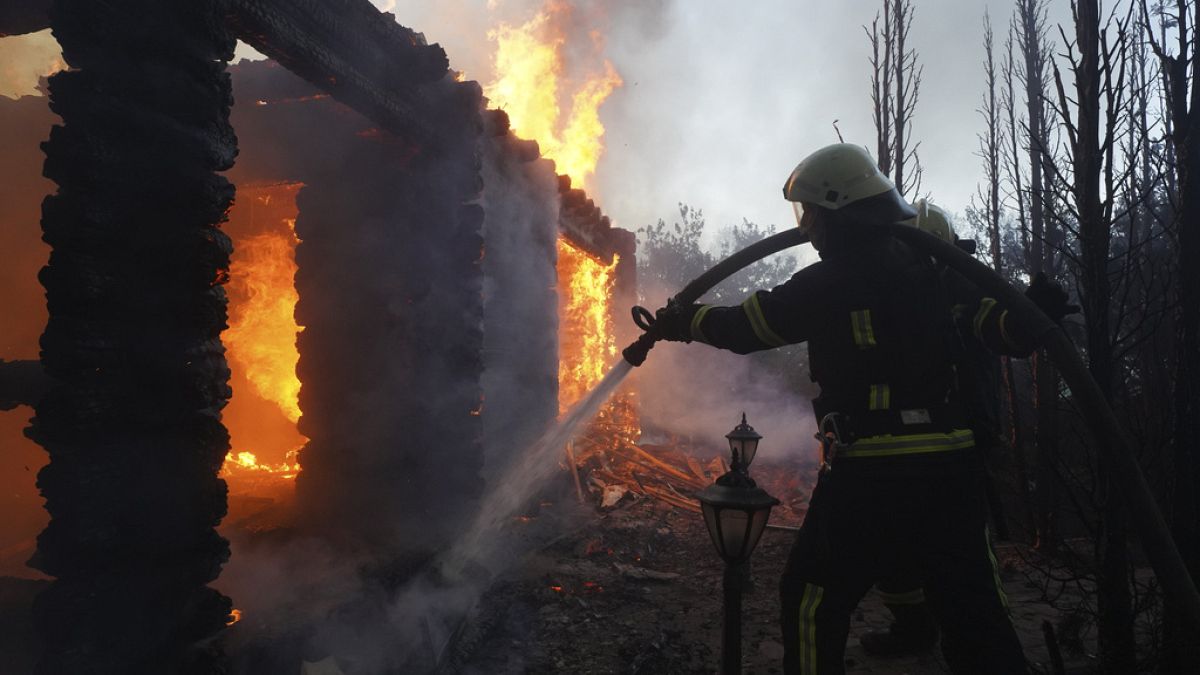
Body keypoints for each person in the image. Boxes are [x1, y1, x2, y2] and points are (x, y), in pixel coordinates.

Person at [650, 143, 1029, 674]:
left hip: (873, 468)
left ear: (835, 209)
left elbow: (749, 326)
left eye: (809, 213)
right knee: (973, 604)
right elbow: (997, 326)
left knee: (812, 598)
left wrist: (683, 322)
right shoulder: (940, 271)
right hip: (952, 467)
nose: (807, 226)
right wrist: (1030, 318)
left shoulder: (831, 279)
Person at [860, 200, 1076, 658]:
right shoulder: (883, 287)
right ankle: (913, 628)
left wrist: (1026, 320)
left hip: (960, 444)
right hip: (896, 442)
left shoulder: (965, 286)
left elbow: (998, 327)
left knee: (963, 560)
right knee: (890, 545)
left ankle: (985, 652)